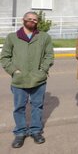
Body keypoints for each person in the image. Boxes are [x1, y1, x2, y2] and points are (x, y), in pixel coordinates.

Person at [0, 12, 54, 148]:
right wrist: (14, 71)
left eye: (35, 20)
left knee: (37, 106)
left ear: (38, 22)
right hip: (19, 80)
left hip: (38, 80)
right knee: (19, 107)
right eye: (29, 19)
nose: (32, 21)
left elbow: (49, 56)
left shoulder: (44, 37)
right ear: (23, 20)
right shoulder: (12, 37)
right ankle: (20, 132)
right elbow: (5, 57)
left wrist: (43, 70)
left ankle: (36, 131)